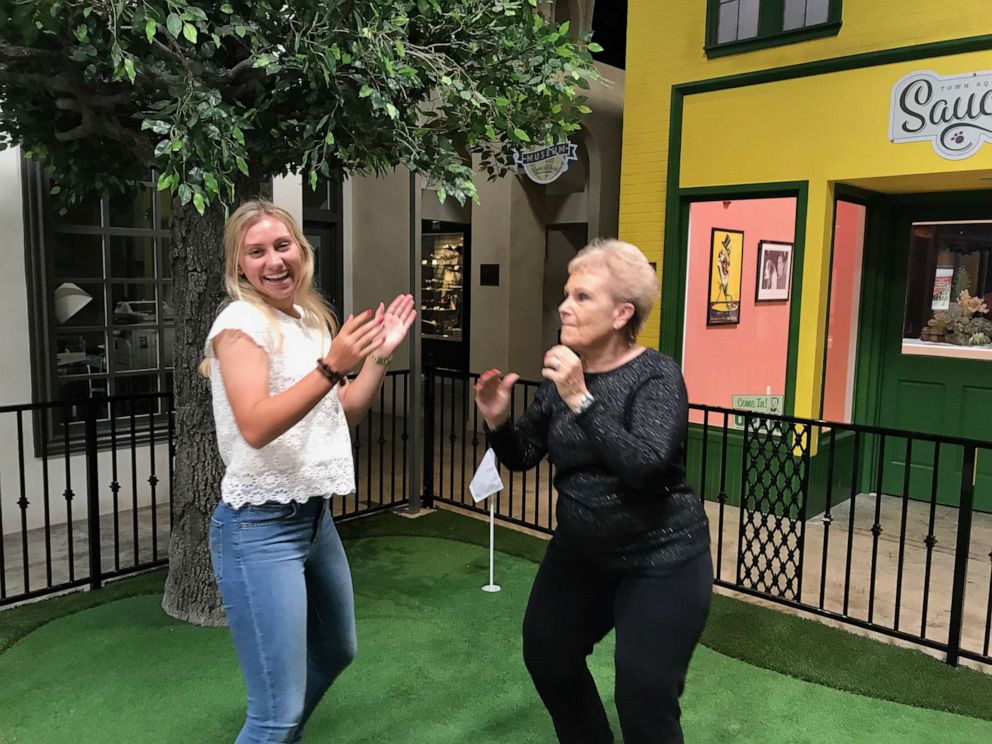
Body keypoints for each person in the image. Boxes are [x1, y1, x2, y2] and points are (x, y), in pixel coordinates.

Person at [474, 239, 712, 744]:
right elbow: (522, 456)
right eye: (566, 294)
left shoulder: (656, 375)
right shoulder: (563, 372)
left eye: (582, 296)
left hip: (661, 558)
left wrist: (581, 398)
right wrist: (498, 421)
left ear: (623, 312)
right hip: (581, 554)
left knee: (643, 696)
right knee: (548, 653)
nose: (564, 305)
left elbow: (644, 466)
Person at [203, 200, 415, 743]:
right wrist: (331, 367)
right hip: (258, 528)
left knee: (337, 649)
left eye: (282, 245)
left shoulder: (308, 321)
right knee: (273, 711)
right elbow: (254, 425)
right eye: (257, 251)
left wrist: (378, 359)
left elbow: (344, 410)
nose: (274, 260)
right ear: (239, 266)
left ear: (302, 251)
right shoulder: (240, 323)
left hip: (314, 519)